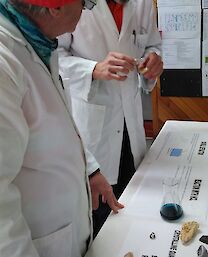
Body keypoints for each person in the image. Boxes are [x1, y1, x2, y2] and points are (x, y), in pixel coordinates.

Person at [0, 0, 123, 256]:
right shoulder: (6, 64)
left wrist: (88, 169)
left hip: (66, 230)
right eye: (84, 2)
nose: (85, 9)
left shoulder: (38, 42)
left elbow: (60, 121)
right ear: (55, 7)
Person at [58, 0, 163, 236]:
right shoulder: (74, 6)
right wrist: (93, 69)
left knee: (133, 201)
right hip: (95, 125)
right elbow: (54, 56)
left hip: (131, 122)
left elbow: (153, 44)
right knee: (101, 214)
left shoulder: (143, 3)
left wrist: (153, 59)